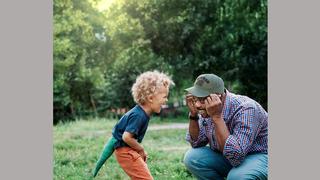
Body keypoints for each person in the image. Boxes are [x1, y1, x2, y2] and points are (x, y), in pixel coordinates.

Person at [183, 73, 268, 180]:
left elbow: (235, 156)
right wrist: (193, 116)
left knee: (237, 177)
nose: (197, 105)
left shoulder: (246, 108)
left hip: (259, 155)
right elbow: (196, 143)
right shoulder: (206, 109)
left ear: (219, 97)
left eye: (202, 99)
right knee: (192, 158)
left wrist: (217, 117)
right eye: (195, 99)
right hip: (229, 156)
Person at [94, 70, 174, 179]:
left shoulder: (141, 113)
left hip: (128, 150)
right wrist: (140, 149)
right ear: (150, 98)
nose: (166, 100)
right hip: (125, 152)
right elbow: (126, 137)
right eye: (164, 96)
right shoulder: (138, 115)